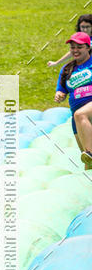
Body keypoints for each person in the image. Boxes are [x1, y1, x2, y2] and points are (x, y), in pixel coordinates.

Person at [53, 31, 92, 169]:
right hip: (77, 119)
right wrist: (59, 94)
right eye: (72, 47)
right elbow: (61, 89)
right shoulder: (67, 69)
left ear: (88, 47)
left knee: (80, 114)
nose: (75, 50)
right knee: (87, 161)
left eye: (79, 47)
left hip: (87, 110)